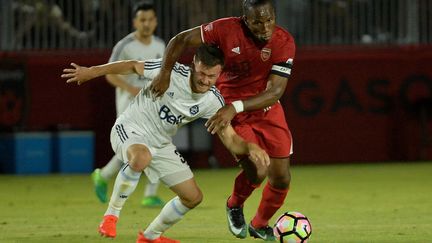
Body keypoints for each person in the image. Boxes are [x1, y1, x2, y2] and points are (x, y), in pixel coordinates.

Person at [62, 44, 270, 243]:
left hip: (160, 144)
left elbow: (231, 139)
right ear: (194, 64)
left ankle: (150, 236)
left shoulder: (213, 102)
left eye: (212, 76)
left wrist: (250, 146)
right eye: (202, 74)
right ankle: (110, 217)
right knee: (141, 156)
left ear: (219, 73)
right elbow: (133, 65)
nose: (205, 81)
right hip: (131, 127)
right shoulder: (171, 73)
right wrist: (92, 71)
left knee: (192, 197)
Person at [149, 0, 295, 241]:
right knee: (258, 171)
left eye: (269, 20)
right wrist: (165, 73)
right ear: (245, 20)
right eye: (258, 22)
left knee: (281, 177)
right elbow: (180, 40)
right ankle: (235, 205)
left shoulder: (283, 41)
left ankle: (260, 224)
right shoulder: (224, 29)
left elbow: (275, 92)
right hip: (226, 109)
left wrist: (235, 107)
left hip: (264, 107)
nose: (265, 27)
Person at [90, 2, 167, 207]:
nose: (147, 24)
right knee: (133, 149)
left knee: (157, 144)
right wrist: (130, 88)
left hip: (152, 105)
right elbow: (110, 75)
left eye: (150, 19)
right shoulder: (125, 46)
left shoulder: (161, 46)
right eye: (142, 20)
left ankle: (149, 193)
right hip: (129, 105)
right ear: (135, 22)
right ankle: (104, 175)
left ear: (156, 21)